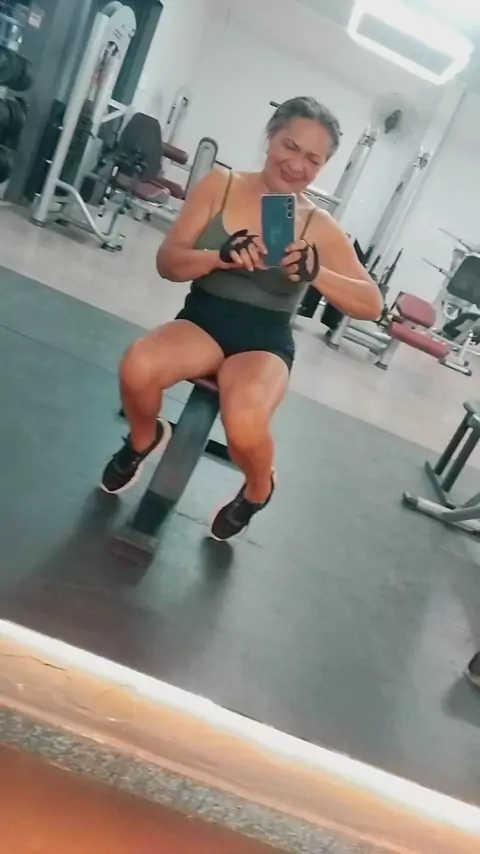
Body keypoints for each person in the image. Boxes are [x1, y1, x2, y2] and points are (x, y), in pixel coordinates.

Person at [101, 96, 383, 541]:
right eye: (290, 146)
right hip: (202, 322)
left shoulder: (318, 224)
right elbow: (168, 263)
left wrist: (317, 273)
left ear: (323, 167)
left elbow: (372, 304)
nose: (297, 165)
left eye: (313, 159)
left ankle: (257, 489)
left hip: (264, 341)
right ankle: (142, 439)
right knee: (137, 365)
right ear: (271, 136)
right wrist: (219, 256)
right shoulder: (222, 185)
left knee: (246, 423)